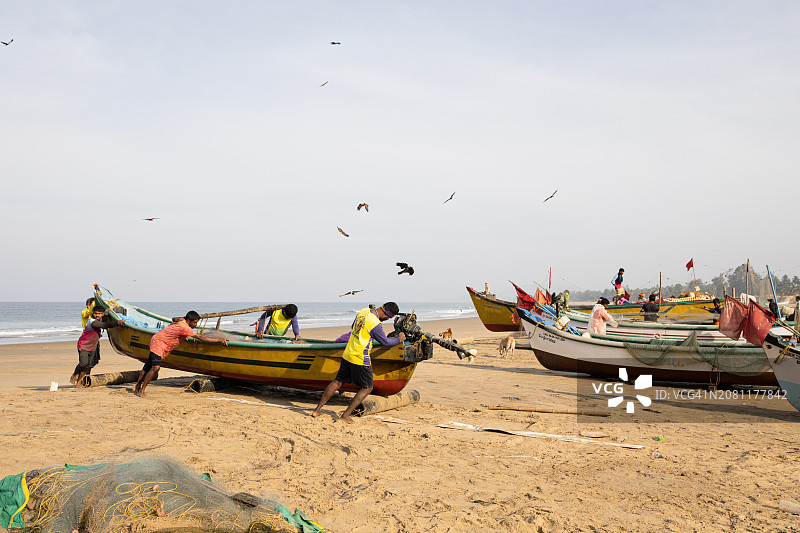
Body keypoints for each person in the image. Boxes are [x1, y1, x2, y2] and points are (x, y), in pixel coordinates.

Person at [311, 303, 405, 423]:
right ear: (387, 314)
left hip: (348, 353)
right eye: (389, 318)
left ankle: (317, 410)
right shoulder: (375, 324)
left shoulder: (364, 311)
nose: (387, 320)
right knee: (367, 388)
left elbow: (353, 327)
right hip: (360, 357)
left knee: (337, 382)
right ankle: (345, 416)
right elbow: (385, 342)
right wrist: (399, 339)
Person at [134, 311, 228, 398]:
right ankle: (141, 391)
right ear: (188, 321)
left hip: (156, 340)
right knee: (155, 368)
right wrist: (219, 340)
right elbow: (200, 337)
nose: (196, 325)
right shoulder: (184, 327)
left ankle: (137, 386)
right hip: (158, 344)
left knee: (148, 365)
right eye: (194, 323)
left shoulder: (181, 322)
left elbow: (175, 329)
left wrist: (184, 336)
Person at [71, 307, 125, 386]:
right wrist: (117, 323)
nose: (97, 315)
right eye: (95, 313)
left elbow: (104, 320)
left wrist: (106, 313)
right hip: (83, 345)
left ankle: (78, 382)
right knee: (83, 363)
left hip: (93, 347)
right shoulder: (92, 322)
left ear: (102, 314)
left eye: (99, 314)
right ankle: (74, 374)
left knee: (87, 366)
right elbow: (103, 325)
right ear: (93, 313)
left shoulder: (100, 319)